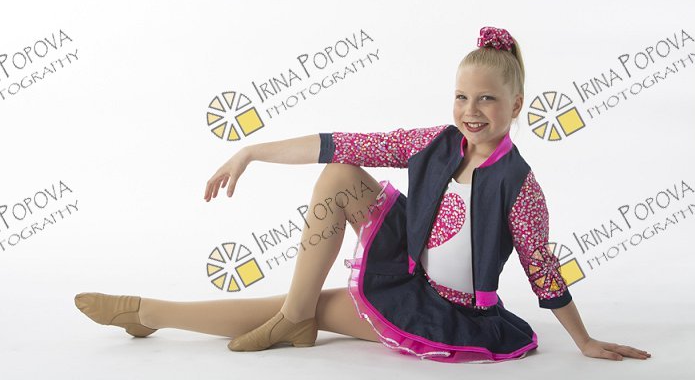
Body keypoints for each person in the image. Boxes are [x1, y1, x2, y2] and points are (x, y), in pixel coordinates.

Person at [75, 26, 652, 363]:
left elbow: (541, 267)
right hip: (407, 271)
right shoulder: (436, 144)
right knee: (341, 172)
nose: (471, 111)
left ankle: (150, 312)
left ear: (516, 105)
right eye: (461, 97)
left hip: (447, 311)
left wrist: (584, 340)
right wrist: (251, 150)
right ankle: (288, 316)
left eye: (487, 100)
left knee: (297, 306)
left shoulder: (519, 186)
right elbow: (346, 143)